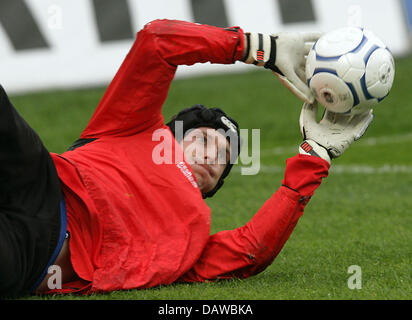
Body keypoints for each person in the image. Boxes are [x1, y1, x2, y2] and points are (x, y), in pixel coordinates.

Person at [0, 19, 373, 297]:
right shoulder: (133, 127)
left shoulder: (195, 236)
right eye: (203, 140)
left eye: (224, 158)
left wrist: (315, 156)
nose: (214, 155)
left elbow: (250, 251)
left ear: (213, 188)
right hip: (40, 182)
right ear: (170, 138)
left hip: (36, 255)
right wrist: (258, 48)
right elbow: (156, 42)